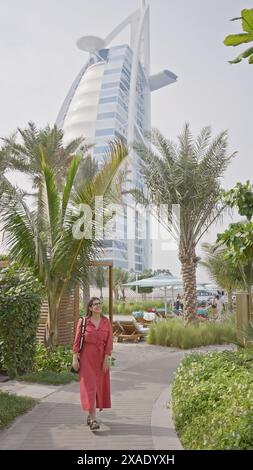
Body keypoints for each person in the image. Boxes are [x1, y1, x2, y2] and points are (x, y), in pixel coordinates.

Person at [72, 297, 113, 430]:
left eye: (99, 304)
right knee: (90, 387)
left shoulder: (106, 322)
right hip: (86, 358)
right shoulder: (83, 322)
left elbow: (109, 342)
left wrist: (107, 358)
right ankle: (93, 419)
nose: (98, 306)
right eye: (95, 304)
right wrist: (74, 358)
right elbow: (77, 341)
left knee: (99, 387)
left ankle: (90, 416)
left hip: (101, 358)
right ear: (90, 308)